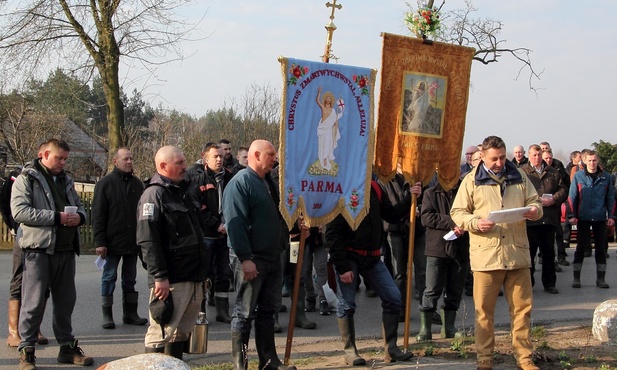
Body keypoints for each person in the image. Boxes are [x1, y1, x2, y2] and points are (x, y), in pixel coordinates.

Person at [451, 135, 542, 370]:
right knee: (484, 313)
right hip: (486, 257)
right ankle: (484, 360)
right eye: (494, 159)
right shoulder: (471, 181)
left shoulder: (519, 176)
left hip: (517, 255)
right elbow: (458, 212)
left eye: (502, 157)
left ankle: (524, 358)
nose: (499, 162)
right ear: (482, 156)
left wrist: (534, 209)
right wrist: (474, 223)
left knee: (522, 311)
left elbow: (535, 201)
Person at [11, 138, 93, 369]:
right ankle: (27, 351)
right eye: (59, 158)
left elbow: (79, 207)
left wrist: (80, 217)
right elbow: (20, 212)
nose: (63, 163)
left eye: (66, 159)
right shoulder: (27, 178)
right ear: (44, 154)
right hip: (38, 250)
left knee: (66, 302)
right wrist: (56, 217)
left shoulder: (66, 180)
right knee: (33, 303)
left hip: (66, 249)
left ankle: (67, 348)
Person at [223, 139, 296, 370]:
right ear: (256, 155)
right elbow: (236, 225)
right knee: (244, 313)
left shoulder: (269, 183)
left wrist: (293, 227)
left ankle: (268, 361)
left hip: (273, 257)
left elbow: (276, 215)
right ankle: (240, 364)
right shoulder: (240, 183)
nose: (275, 159)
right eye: (271, 154)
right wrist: (245, 258)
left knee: (268, 311)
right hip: (251, 259)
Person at [325, 179, 414, 366]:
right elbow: (332, 233)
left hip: (372, 257)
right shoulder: (342, 188)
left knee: (393, 297)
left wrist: (410, 198)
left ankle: (391, 349)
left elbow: (391, 215)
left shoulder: (374, 187)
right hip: (349, 257)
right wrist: (342, 267)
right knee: (347, 305)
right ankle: (350, 352)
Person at [137, 146, 209, 359]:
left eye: (184, 161)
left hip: (193, 276)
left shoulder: (186, 191)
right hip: (171, 280)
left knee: (180, 334)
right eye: (179, 163)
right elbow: (148, 240)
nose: (185, 166)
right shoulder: (153, 195)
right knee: (161, 332)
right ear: (162, 166)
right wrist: (159, 277)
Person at [92, 148, 147, 330]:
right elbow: (98, 215)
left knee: (130, 278)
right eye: (125, 159)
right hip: (111, 242)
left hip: (132, 242)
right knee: (109, 277)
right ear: (115, 161)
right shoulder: (105, 184)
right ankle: (107, 314)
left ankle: (130, 313)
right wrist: (100, 242)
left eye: (131, 158)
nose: (129, 162)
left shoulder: (138, 184)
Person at [2, 165, 50, 348]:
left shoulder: (53, 179)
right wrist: (14, 227)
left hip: (45, 239)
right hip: (23, 237)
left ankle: (34, 328)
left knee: (42, 283)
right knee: (19, 279)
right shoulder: (19, 177)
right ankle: (14, 331)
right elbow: (5, 203)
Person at [416, 176, 469, 341]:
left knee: (455, 290)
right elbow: (426, 218)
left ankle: (449, 328)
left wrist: (465, 224)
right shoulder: (431, 193)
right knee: (432, 289)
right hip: (437, 248)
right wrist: (453, 222)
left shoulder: (466, 192)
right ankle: (426, 329)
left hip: (461, 248)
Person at [186, 143, 234, 323]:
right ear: (206, 159)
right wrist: (216, 226)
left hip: (226, 235)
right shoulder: (199, 180)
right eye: (215, 156)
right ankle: (201, 311)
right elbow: (199, 209)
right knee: (204, 274)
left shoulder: (231, 178)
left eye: (221, 156)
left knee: (224, 273)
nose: (220, 159)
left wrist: (229, 225)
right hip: (207, 235)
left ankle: (222, 311)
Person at [521, 144, 568, 294]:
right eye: (534, 155)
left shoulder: (553, 172)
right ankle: (529, 283)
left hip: (549, 218)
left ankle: (549, 284)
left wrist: (554, 199)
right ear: (529, 156)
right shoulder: (522, 173)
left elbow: (564, 190)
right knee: (530, 254)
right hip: (531, 220)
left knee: (548, 253)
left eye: (539, 155)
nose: (537, 158)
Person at [567, 150, 616, 289]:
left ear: (598, 161)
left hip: (600, 218)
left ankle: (601, 279)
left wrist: (612, 216)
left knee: (601, 249)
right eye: (589, 161)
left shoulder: (606, 177)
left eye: (594, 160)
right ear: (584, 161)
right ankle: (576, 278)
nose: (592, 163)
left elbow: (611, 198)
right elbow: (572, 198)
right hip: (583, 218)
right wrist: (572, 215)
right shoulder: (578, 177)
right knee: (580, 248)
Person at [315, 87, 343, 171]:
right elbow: (317, 101)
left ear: (331, 101)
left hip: (329, 130)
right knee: (322, 145)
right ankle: (323, 161)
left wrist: (336, 125)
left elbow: (334, 121)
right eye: (327, 98)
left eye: (329, 98)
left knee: (327, 145)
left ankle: (326, 160)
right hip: (322, 128)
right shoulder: (323, 107)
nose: (328, 99)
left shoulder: (333, 110)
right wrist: (319, 92)